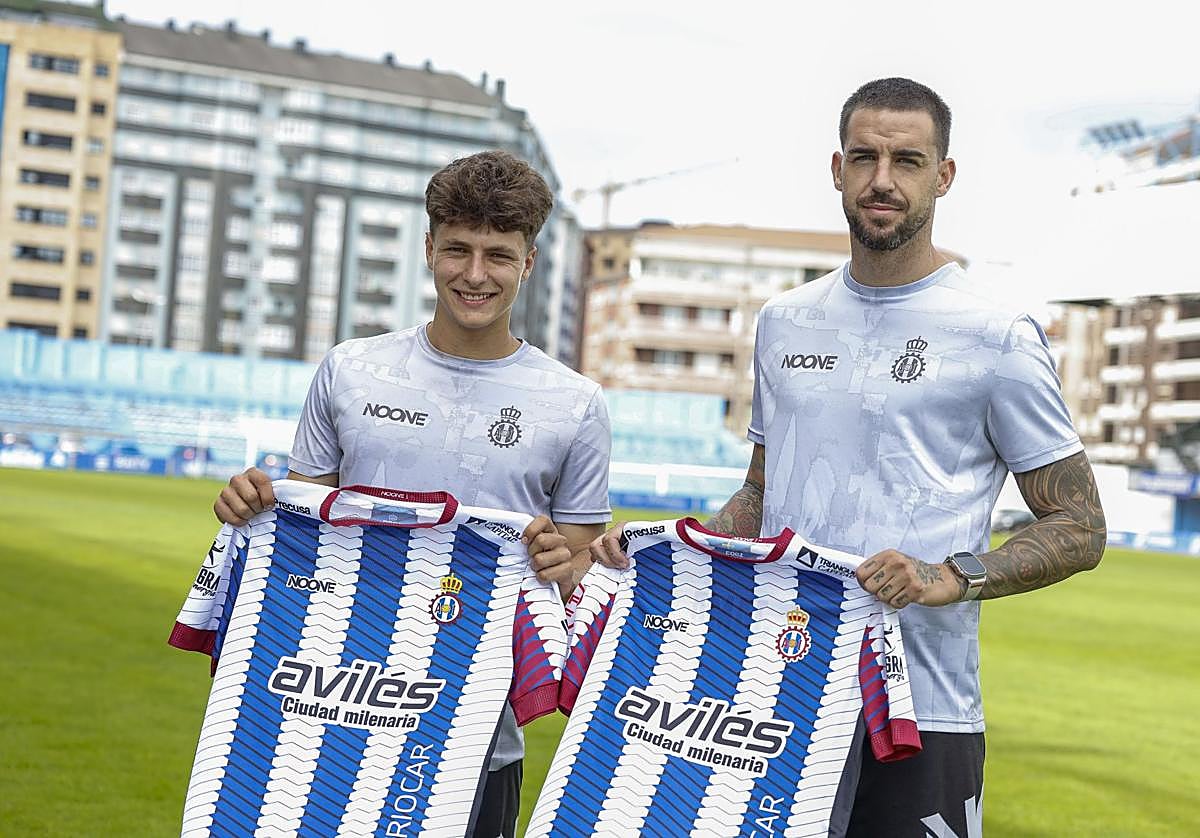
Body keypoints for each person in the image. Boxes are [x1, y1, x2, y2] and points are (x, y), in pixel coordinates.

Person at [591, 77, 1106, 837]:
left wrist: (947, 577)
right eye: (864, 157)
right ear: (837, 169)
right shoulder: (785, 322)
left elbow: (1081, 523)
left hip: (922, 710)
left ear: (944, 175)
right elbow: (761, 500)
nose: (882, 180)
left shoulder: (996, 335)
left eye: (907, 160)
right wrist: (664, 555)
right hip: (770, 698)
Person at [212, 149, 612, 838]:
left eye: (497, 254)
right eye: (457, 249)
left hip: (476, 741)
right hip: (327, 714)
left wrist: (564, 566)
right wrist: (256, 503)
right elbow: (305, 527)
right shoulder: (351, 369)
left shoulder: (575, 403)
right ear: (428, 248)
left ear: (530, 261)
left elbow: (577, 568)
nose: (475, 274)